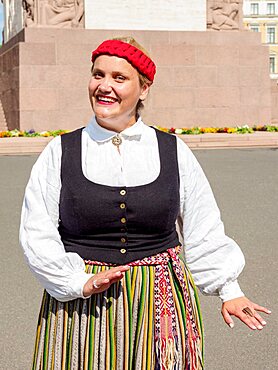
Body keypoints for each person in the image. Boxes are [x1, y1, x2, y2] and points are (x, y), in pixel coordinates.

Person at [20, 37, 271, 369]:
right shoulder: (60, 151)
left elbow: (203, 225)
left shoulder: (172, 150)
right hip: (83, 302)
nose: (104, 86)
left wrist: (229, 289)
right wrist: (75, 282)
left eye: (119, 78)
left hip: (159, 300)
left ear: (144, 89)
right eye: (98, 75)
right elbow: (36, 231)